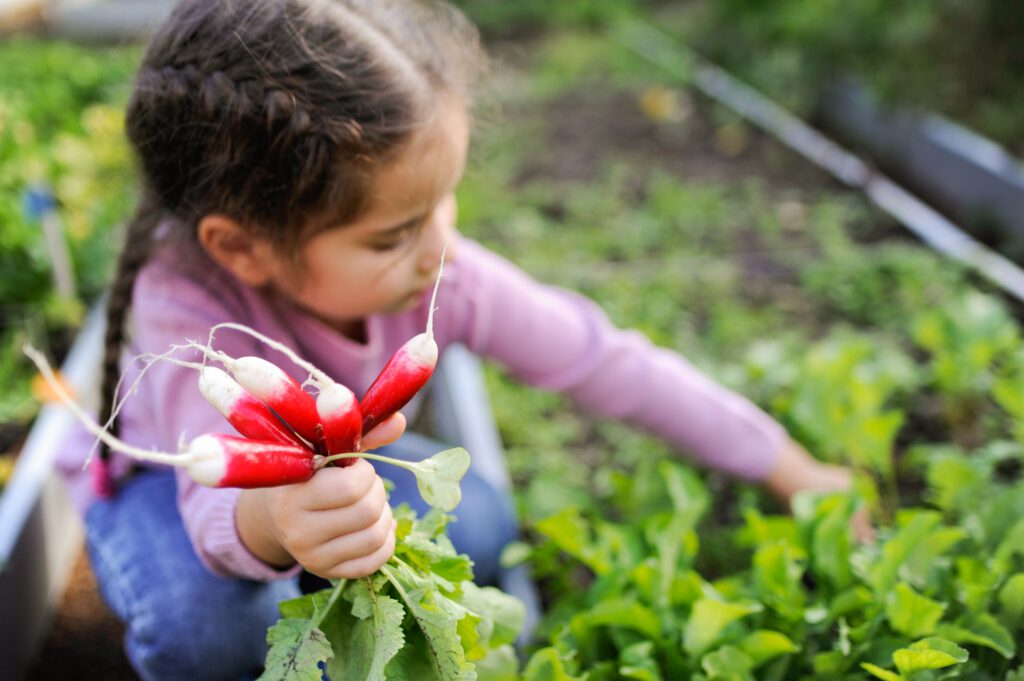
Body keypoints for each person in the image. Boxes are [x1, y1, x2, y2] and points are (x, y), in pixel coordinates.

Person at [56, 0, 861, 679]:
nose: (441, 245)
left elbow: (607, 361)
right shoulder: (182, 310)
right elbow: (213, 490)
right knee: (209, 626)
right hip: (169, 490)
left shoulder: (443, 274)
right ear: (243, 246)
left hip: (328, 480)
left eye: (444, 203)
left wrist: (789, 467)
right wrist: (275, 520)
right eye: (395, 233)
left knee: (475, 526)